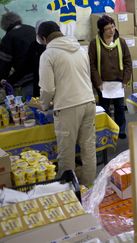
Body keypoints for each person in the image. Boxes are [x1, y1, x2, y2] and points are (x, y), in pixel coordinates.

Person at [37, 21, 96, 186]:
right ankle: (90, 188)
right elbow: (87, 76)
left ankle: (71, 194)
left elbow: (48, 89)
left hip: (67, 106)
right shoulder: (80, 48)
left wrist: (44, 105)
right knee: (88, 148)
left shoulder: (48, 55)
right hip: (89, 101)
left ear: (43, 38)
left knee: (66, 153)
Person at [88, 15, 132, 139]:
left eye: (112, 27)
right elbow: (91, 65)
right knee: (104, 108)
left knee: (119, 107)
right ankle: (106, 130)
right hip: (103, 84)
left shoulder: (121, 42)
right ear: (102, 30)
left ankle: (120, 130)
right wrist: (98, 82)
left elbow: (128, 61)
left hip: (119, 82)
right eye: (107, 28)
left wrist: (125, 80)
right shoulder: (94, 44)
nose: (111, 30)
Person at [0, 12, 42, 98]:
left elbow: (4, 65)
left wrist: (3, 81)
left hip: (28, 81)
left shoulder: (8, 38)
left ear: (4, 26)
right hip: (45, 75)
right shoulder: (32, 29)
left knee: (33, 107)